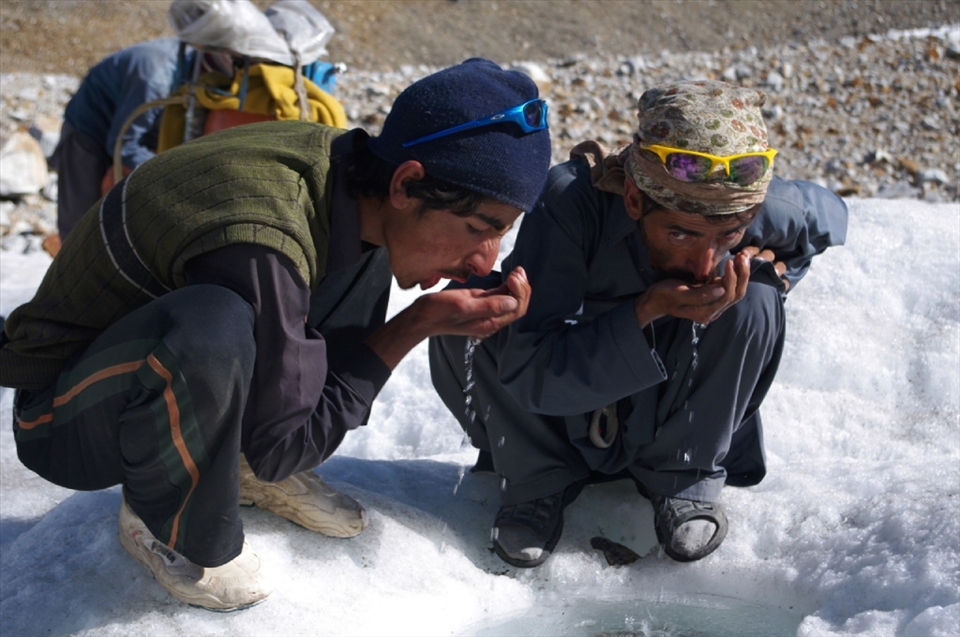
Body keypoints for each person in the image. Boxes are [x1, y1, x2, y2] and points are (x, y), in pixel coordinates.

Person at [0, 58, 551, 610]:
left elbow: (286, 432)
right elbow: (285, 445)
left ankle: (233, 461)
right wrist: (414, 324)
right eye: (480, 229)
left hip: (142, 374)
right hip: (64, 412)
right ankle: (165, 520)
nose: (485, 263)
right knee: (211, 327)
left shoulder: (355, 174)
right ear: (408, 181)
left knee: (367, 243)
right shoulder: (265, 236)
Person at [429, 80, 848, 568]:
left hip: (666, 404)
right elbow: (530, 370)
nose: (703, 261)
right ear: (633, 198)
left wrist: (777, 267)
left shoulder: (751, 211)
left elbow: (829, 217)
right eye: (679, 233)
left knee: (755, 296)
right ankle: (536, 483)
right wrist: (644, 309)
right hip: (555, 410)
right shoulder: (570, 205)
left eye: (727, 234)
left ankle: (684, 479)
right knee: (469, 313)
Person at [49, 38, 190, 239]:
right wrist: (173, 175)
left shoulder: (200, 62)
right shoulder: (155, 77)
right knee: (80, 232)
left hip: (135, 136)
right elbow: (124, 145)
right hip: (89, 133)